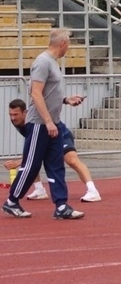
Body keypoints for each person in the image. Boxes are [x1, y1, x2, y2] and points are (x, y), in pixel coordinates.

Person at [3, 28, 85, 219]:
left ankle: (61, 205)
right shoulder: (42, 62)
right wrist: (47, 121)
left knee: (56, 165)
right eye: (68, 44)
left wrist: (66, 100)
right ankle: (12, 201)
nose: (69, 48)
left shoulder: (52, 63)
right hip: (40, 124)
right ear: (62, 43)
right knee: (31, 165)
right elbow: (36, 93)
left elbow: (49, 93)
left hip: (52, 124)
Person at [4, 98, 101, 202]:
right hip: (45, 139)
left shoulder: (32, 120)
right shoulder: (17, 122)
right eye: (11, 114)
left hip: (61, 136)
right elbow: (32, 146)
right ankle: (39, 190)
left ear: (25, 112)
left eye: (15, 114)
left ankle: (92, 191)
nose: (13, 118)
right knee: (32, 163)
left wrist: (18, 162)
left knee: (72, 161)